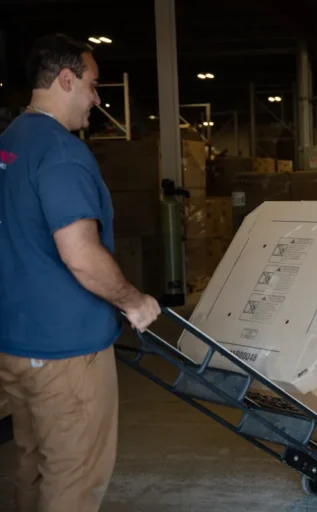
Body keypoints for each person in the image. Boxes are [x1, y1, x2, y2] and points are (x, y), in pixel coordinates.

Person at [0, 33, 160, 512]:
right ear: (66, 80)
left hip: (14, 344)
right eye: (92, 84)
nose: (96, 97)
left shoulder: (9, 144)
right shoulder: (62, 153)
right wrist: (133, 302)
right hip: (65, 354)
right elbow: (81, 255)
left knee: (32, 465)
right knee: (73, 479)